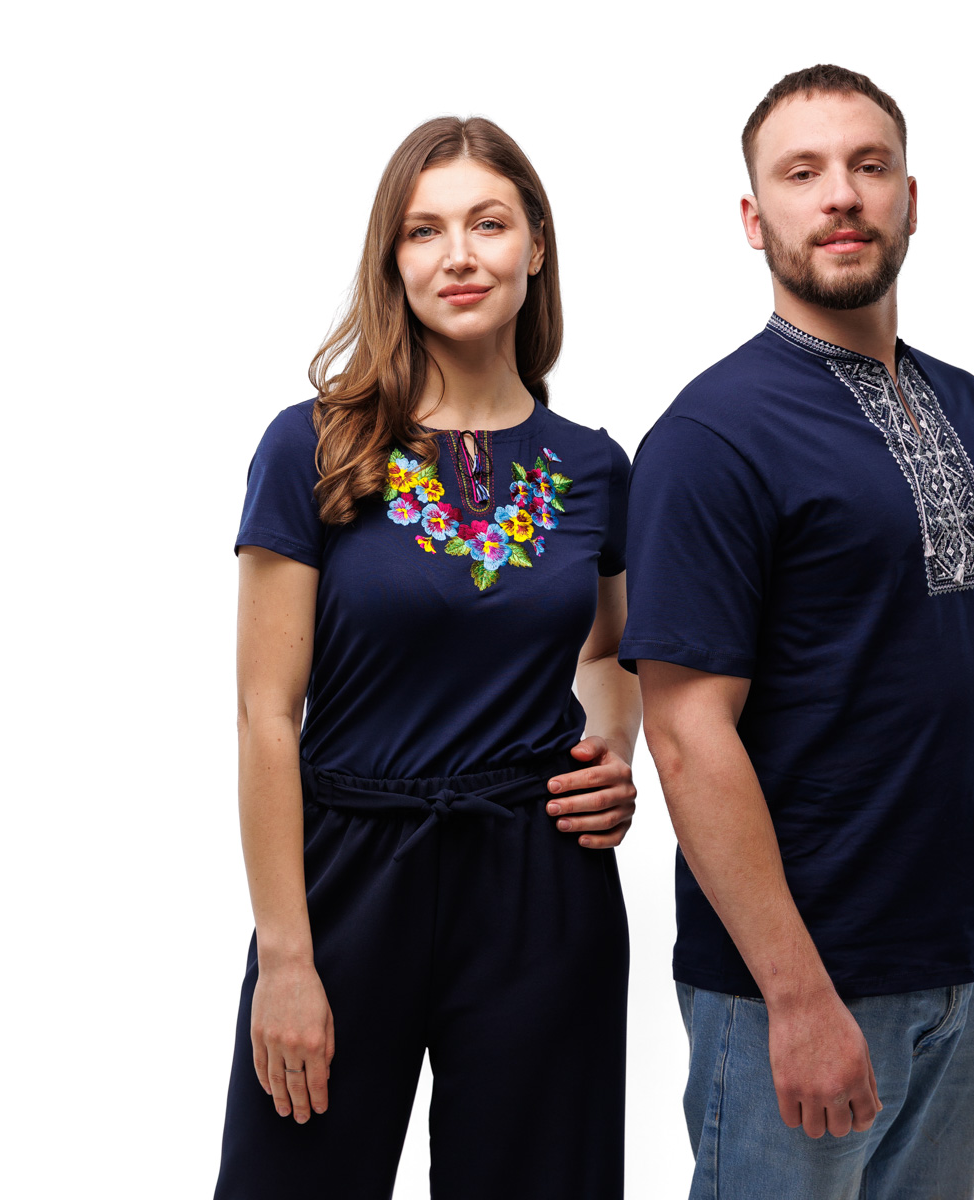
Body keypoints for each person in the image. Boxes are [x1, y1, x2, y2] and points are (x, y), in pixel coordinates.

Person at [619, 65, 974, 1199]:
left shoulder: (973, 409)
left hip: (965, 967)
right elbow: (685, 735)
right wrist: (795, 997)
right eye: (803, 172)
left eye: (869, 167)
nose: (841, 194)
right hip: (797, 984)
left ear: (909, 201)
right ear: (754, 219)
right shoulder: (709, 436)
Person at [214, 116, 640, 1200]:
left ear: (535, 245)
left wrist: (611, 749)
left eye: (488, 224)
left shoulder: (595, 467)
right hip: (348, 875)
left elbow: (612, 648)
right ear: (392, 260)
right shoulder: (314, 446)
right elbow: (266, 714)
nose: (459, 255)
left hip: (541, 884)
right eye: (424, 230)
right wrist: (287, 956)